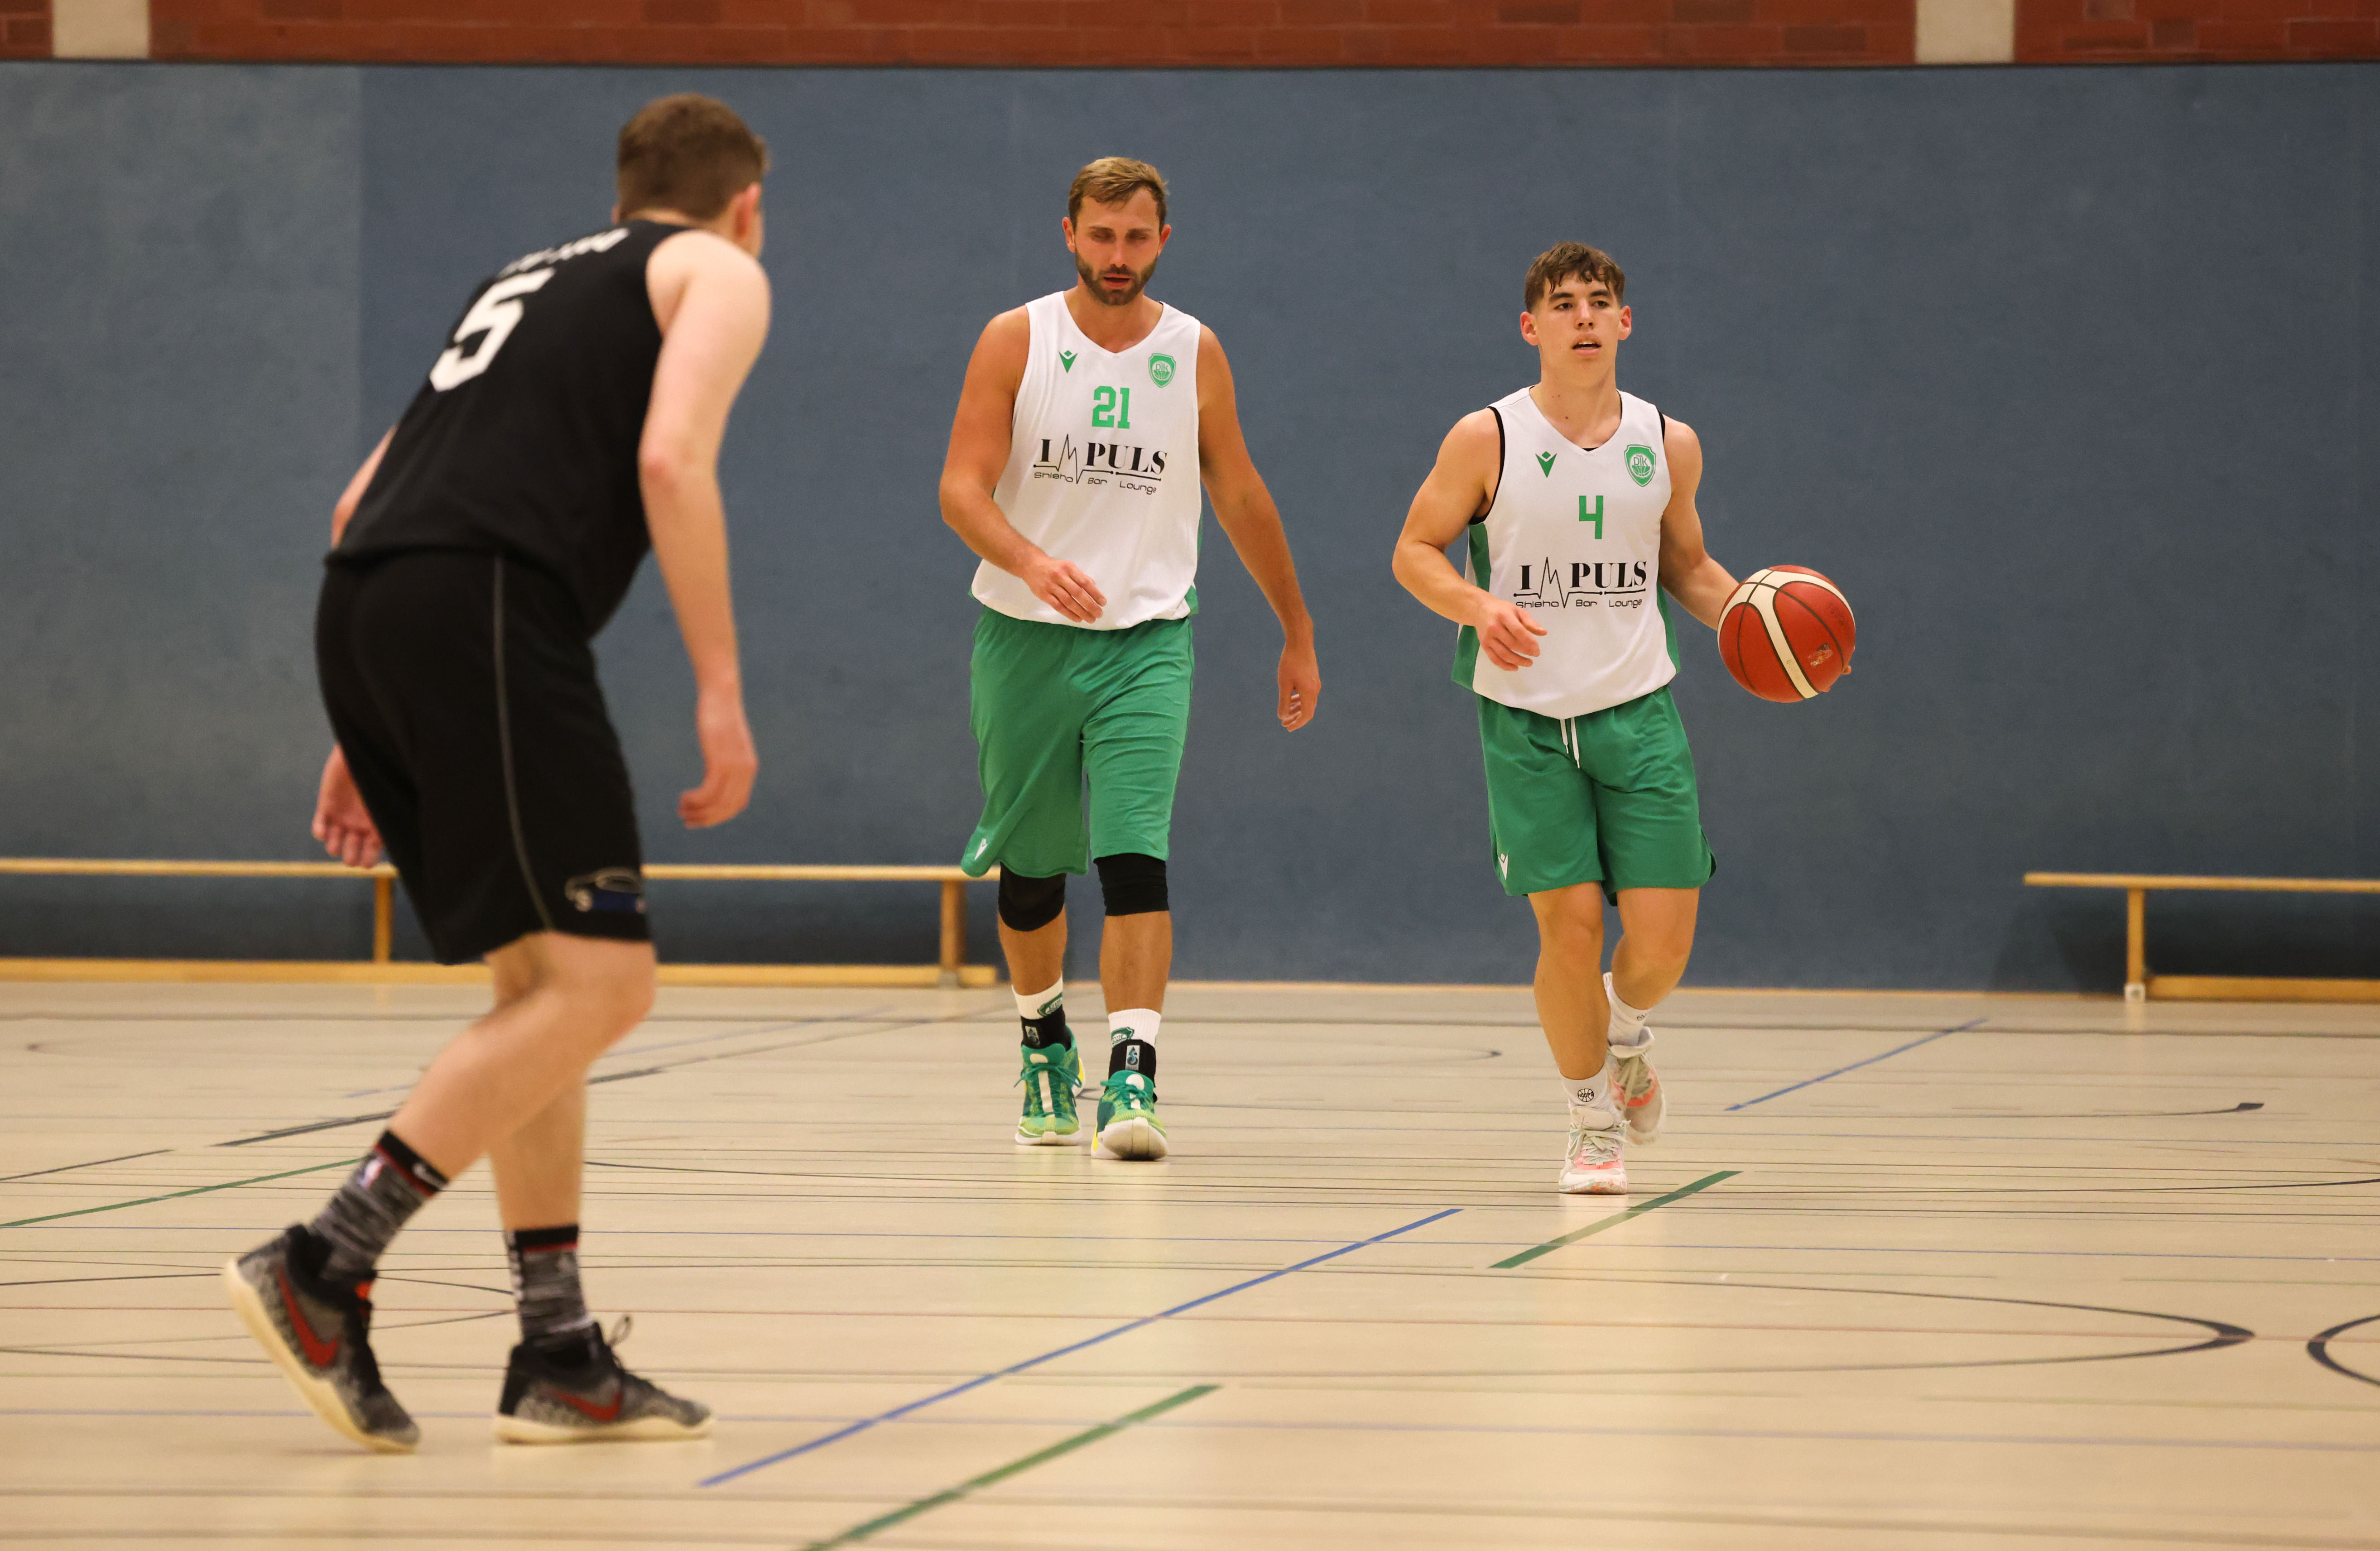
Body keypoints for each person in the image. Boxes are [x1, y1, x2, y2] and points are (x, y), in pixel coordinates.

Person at [221, 94, 773, 1451]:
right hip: (485, 606)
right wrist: (719, 687)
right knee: (605, 985)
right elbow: (672, 459)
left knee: (545, 990)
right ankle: (325, 1261)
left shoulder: (524, 280)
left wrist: (369, 721)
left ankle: (559, 1351)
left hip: (373, 602)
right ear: (746, 206)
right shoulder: (715, 269)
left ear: (620, 193)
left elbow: (359, 502)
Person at [939, 157, 1321, 1161]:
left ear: (1163, 240)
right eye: (1102, 235)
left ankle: (1134, 1073)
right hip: (1024, 636)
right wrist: (1031, 561)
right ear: (1069, 233)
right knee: (1031, 872)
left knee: (1134, 857)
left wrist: (1296, 628)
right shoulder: (1017, 339)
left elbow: (1240, 493)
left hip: (1149, 638)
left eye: (1137, 237)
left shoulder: (1193, 351)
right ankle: (1042, 1042)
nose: (1119, 255)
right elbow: (961, 488)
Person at [1390, 243, 1736, 1194]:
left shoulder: (1669, 442)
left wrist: (1760, 622)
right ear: (1530, 326)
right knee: (1571, 930)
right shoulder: (1487, 437)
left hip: (1639, 713)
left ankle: (1624, 1030)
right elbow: (1415, 550)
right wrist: (1478, 607)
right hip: (1527, 722)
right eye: (1563, 303)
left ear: (1625, 323)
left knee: (1661, 948)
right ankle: (1590, 1121)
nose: (1583, 317)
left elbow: (1688, 568)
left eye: (1598, 302)